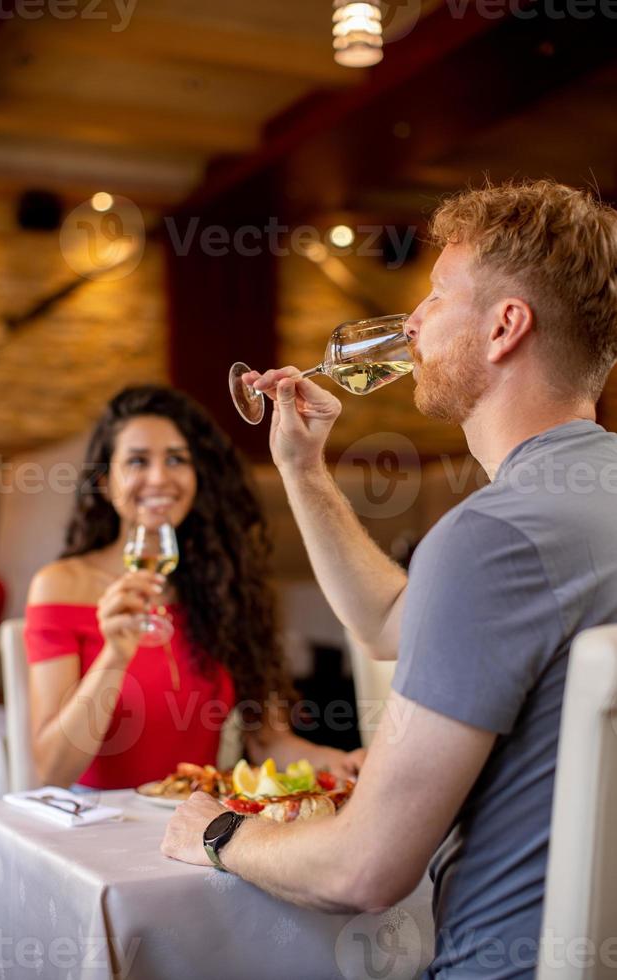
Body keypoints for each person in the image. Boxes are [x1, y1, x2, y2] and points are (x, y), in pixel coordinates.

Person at [161, 180, 617, 977]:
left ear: (506, 327)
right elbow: (390, 624)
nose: (412, 322)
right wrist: (303, 470)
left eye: (437, 294)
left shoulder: (491, 537)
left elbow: (363, 870)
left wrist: (217, 833)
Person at [25, 385, 365, 790]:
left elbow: (270, 742)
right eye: (137, 460)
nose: (159, 478)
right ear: (103, 482)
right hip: (94, 824)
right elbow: (51, 771)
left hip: (193, 823)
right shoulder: (61, 586)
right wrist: (114, 657)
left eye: (176, 459)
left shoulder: (225, 587)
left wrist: (342, 762)